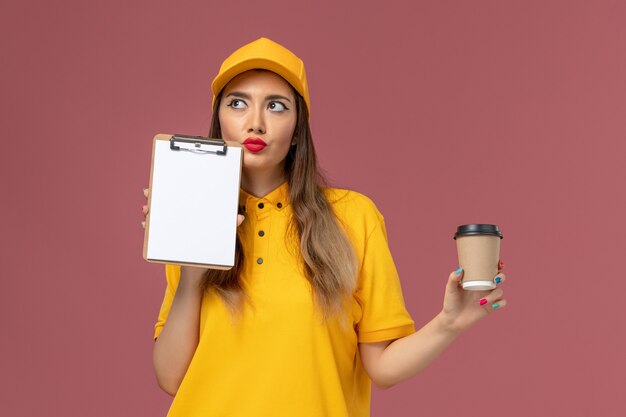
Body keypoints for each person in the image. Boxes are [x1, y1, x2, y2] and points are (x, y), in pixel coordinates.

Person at [142, 37, 507, 417]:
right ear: (220, 119)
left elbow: (381, 368)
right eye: (237, 103)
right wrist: (191, 274)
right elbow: (171, 378)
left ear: (298, 127)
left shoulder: (354, 217)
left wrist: (450, 323)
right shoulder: (196, 218)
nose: (255, 123)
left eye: (276, 106)